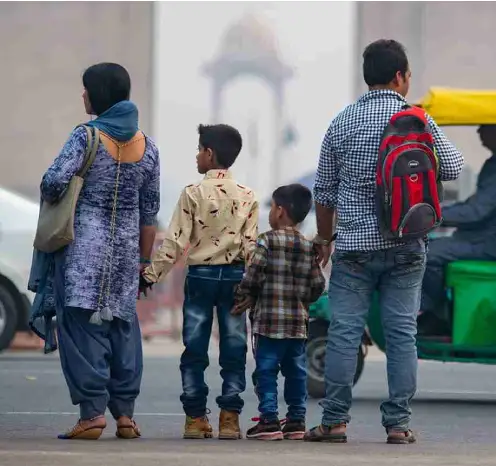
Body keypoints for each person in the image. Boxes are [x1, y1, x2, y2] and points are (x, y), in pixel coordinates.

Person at [306, 39, 464, 444]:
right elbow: (454, 167)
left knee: (343, 332)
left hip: (355, 249)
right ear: (399, 76)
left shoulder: (342, 122)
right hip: (407, 244)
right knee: (400, 334)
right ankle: (398, 424)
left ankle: (335, 421)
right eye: (408, 75)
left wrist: (325, 239)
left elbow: (323, 195)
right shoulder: (417, 120)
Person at [27, 63, 160, 439]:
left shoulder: (85, 137)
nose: (82, 96)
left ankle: (91, 414)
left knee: (81, 328)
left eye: (85, 89)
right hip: (124, 257)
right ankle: (125, 417)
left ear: (97, 94)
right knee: (122, 328)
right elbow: (149, 212)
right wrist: (144, 263)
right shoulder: (149, 147)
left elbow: (53, 181)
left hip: (83, 254)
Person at [142, 124, 258, 440]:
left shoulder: (192, 194)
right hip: (235, 280)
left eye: (198, 150)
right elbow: (251, 248)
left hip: (200, 278)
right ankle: (230, 419)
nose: (196, 156)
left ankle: (195, 418)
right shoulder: (247, 196)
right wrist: (255, 287)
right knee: (233, 350)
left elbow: (176, 243)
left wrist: (151, 274)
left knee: (194, 349)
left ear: (208, 153)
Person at [418, 124, 496, 336]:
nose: (479, 132)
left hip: (490, 244)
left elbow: (476, 212)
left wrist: (431, 215)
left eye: (487, 127)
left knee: (426, 254)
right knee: (425, 248)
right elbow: (472, 206)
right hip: (480, 239)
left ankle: (435, 314)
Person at [232, 184, 326, 441]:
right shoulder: (308, 247)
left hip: (269, 323)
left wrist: (244, 294)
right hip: (297, 326)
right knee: (296, 371)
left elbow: (254, 274)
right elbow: (318, 285)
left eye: (272, 207)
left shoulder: (266, 241)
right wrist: (304, 299)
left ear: (280, 211)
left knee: (266, 370)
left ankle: (269, 420)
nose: (271, 212)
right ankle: (296, 421)